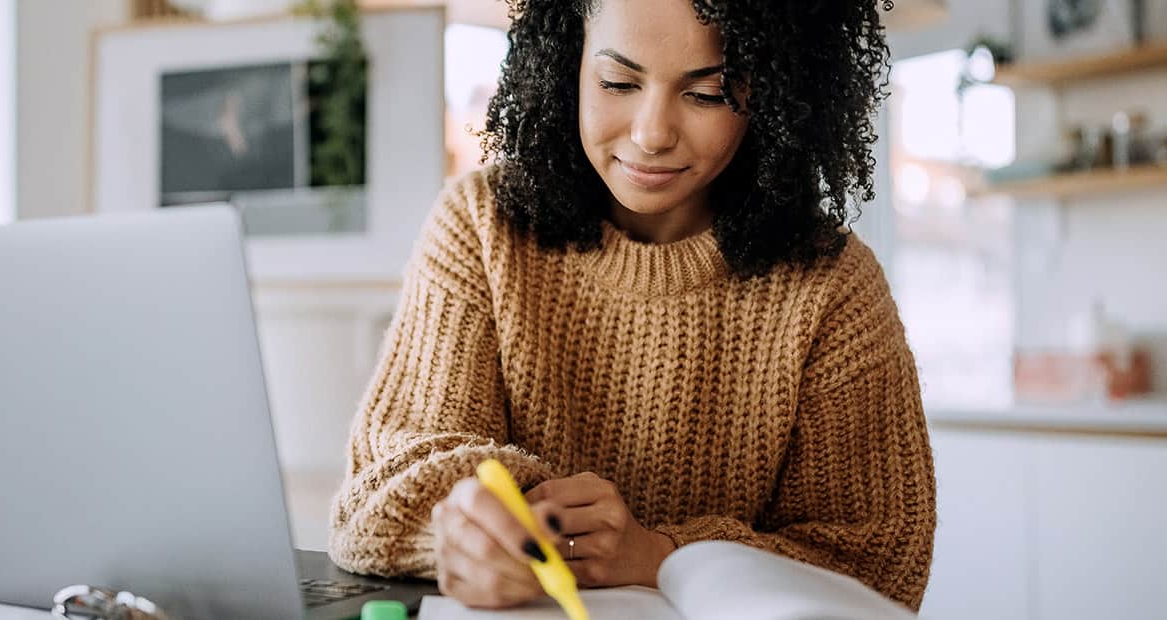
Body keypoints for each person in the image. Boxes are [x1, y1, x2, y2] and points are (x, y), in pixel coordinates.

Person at [327, 0, 935, 612]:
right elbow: (372, 503)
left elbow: (879, 567)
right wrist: (463, 531)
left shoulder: (833, 286)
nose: (651, 133)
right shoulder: (482, 226)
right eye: (618, 82)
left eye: (707, 93)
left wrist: (659, 555)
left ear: (776, 91)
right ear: (568, 61)